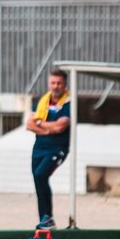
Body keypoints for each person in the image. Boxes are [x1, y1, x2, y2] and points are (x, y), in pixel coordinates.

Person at [26, 68, 71, 230]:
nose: (55, 86)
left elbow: (61, 127)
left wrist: (40, 124)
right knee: (38, 180)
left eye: (59, 83)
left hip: (57, 149)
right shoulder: (41, 101)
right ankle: (44, 220)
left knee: (41, 174)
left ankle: (48, 217)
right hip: (39, 148)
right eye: (53, 83)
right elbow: (29, 124)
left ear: (65, 84)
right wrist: (47, 129)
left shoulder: (69, 103)